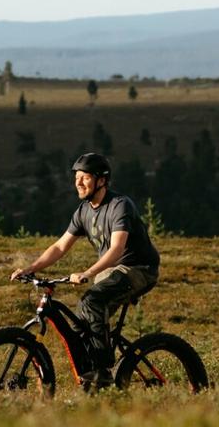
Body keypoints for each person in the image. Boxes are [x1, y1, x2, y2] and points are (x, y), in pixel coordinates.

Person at [10, 151, 159, 369]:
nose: (78, 182)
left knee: (92, 301)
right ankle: (90, 371)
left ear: (101, 180)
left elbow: (117, 249)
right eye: (76, 177)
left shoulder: (119, 205)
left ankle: (102, 368)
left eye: (85, 177)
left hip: (139, 269)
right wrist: (30, 269)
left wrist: (87, 274)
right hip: (112, 272)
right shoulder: (83, 212)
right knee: (81, 323)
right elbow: (60, 246)